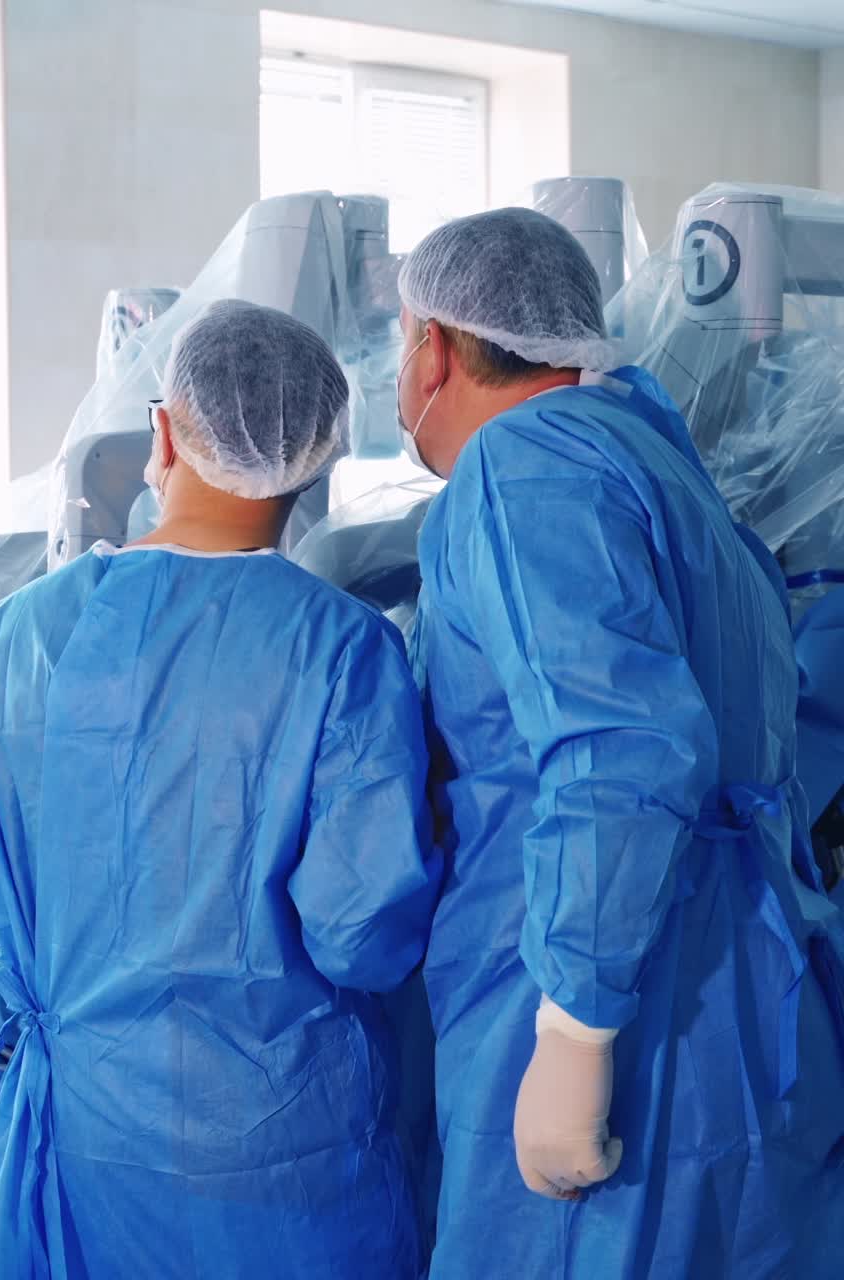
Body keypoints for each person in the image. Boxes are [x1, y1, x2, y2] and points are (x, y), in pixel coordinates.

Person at [0, 298, 444, 1279]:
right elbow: (360, 935)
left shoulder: (12, 642)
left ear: (162, 430)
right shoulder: (344, 649)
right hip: (282, 1152)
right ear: (314, 460)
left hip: (89, 1142)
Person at [394, 207, 844, 1278]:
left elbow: (618, 748)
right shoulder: (663, 469)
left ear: (438, 348)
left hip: (613, 1007)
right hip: (746, 1003)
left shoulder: (521, 468)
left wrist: (574, 1031)